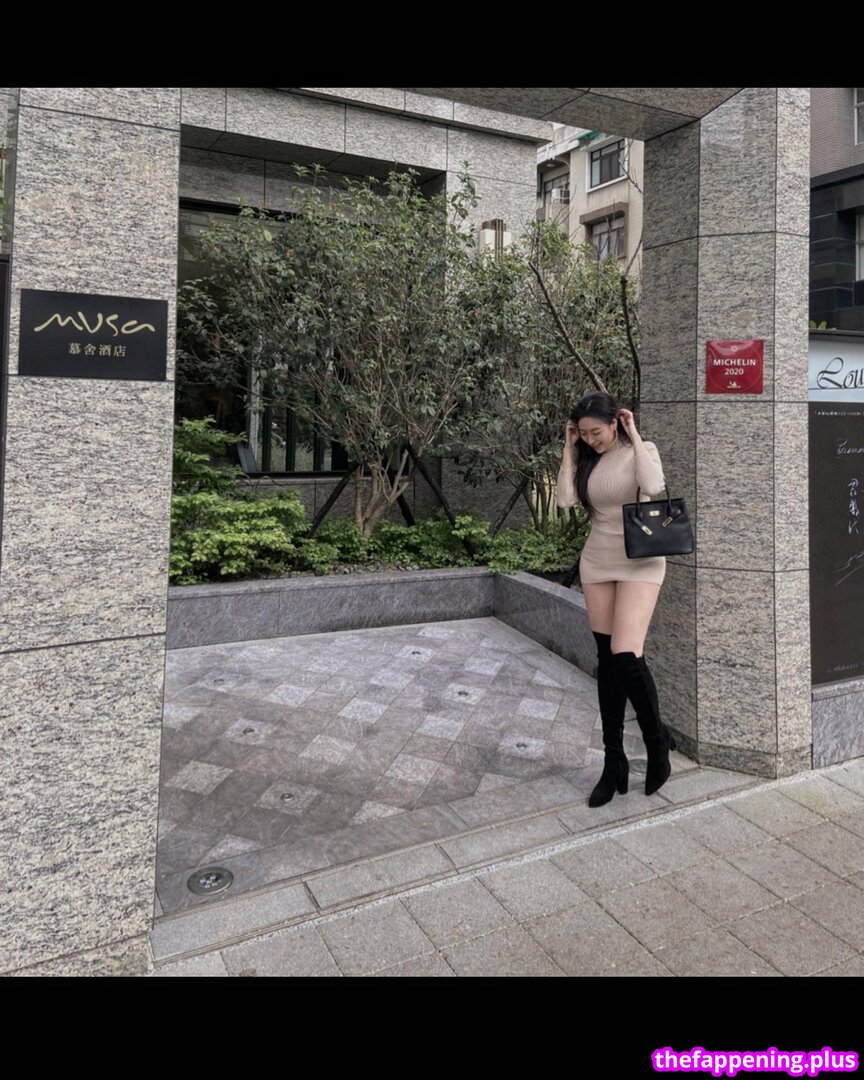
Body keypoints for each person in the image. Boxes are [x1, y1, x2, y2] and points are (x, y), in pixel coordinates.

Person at [556, 390, 676, 807]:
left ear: (615, 423)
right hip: (598, 560)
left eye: (597, 432)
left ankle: (657, 742)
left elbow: (654, 485)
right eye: (583, 433)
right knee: (606, 661)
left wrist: (634, 434)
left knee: (626, 653)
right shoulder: (586, 457)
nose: (591, 439)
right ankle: (614, 762)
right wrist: (569, 451)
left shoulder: (642, 449)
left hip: (640, 559)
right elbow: (565, 500)